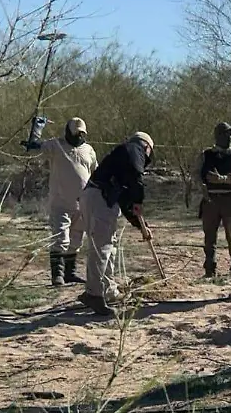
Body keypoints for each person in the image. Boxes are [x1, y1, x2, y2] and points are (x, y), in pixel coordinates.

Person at [79, 132, 155, 315]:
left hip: (97, 197)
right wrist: (139, 200)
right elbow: (137, 180)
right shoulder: (134, 149)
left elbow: (125, 201)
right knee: (102, 247)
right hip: (99, 198)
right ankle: (94, 295)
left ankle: (107, 290)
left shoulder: (122, 161)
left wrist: (140, 225)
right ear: (146, 147)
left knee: (107, 246)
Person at [23, 117, 99, 286]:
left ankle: (70, 273)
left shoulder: (88, 150)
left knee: (76, 240)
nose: (78, 136)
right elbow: (34, 148)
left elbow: (95, 171)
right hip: (60, 203)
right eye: (75, 133)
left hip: (83, 204)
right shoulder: (55, 146)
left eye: (81, 133)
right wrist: (36, 130)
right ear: (68, 132)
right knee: (61, 238)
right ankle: (57, 275)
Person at [198, 122, 231, 279]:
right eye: (226, 134)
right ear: (218, 136)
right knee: (209, 238)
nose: (230, 137)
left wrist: (222, 179)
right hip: (210, 200)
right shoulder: (206, 154)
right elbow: (198, 175)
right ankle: (210, 269)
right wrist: (203, 188)